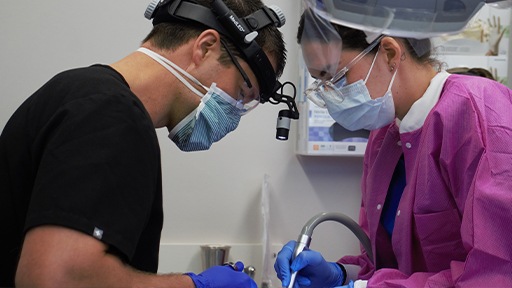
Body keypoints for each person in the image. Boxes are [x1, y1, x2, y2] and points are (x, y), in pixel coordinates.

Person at [0, 0, 287, 287]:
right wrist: (194, 285)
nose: (234, 115)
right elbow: (57, 278)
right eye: (241, 92)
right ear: (205, 47)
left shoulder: (80, 93)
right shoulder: (111, 115)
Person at [274, 8, 512, 288]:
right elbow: (384, 264)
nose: (330, 96)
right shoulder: (384, 136)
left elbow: (496, 273)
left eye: (335, 78)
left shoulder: (478, 113)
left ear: (388, 53)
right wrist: (341, 274)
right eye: (321, 85)